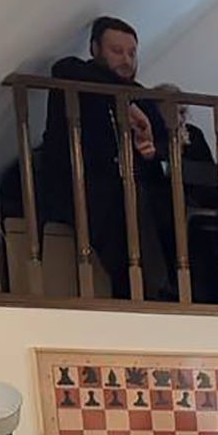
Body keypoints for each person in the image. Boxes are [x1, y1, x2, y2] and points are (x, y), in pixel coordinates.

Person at [36, 16, 174, 300]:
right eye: (117, 51)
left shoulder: (141, 96)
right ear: (95, 49)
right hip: (87, 183)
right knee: (122, 208)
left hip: (134, 188)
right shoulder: (78, 76)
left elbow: (161, 139)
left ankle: (166, 289)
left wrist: (151, 149)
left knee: (165, 208)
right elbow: (63, 68)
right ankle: (142, 293)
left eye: (132, 53)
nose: (126, 60)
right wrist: (122, 102)